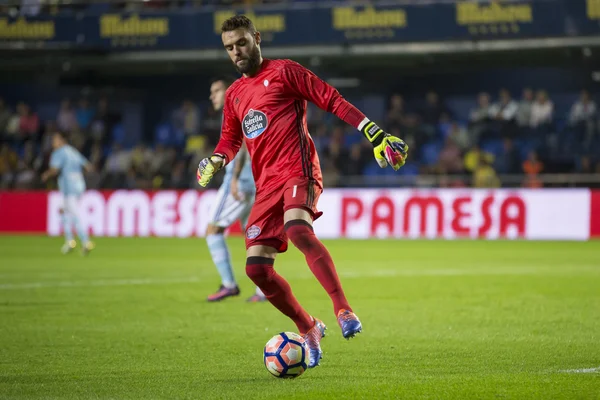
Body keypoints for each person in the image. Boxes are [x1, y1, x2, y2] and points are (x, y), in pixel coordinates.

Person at [196, 15, 409, 369]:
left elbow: (331, 98)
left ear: (257, 38)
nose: (236, 52)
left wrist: (372, 131)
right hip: (265, 186)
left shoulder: (285, 72)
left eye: (242, 43)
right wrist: (217, 159)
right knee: (256, 271)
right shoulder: (234, 94)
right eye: (229, 47)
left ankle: (342, 308)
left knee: (297, 229)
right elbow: (230, 140)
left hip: (298, 169)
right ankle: (308, 326)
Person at [204, 76, 266, 303]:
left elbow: (241, 147)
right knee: (253, 237)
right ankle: (262, 290)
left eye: (217, 91)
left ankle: (229, 284)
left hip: (239, 182)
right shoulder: (245, 107)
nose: (213, 96)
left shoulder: (235, 109)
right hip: (253, 183)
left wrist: (234, 178)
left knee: (213, 230)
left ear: (228, 90)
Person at [42, 131, 94, 255]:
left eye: (54, 140)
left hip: (69, 188)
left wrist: (46, 175)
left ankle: (86, 241)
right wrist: (76, 174)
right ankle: (70, 241)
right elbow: (88, 166)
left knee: (74, 214)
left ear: (61, 140)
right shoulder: (73, 151)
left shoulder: (59, 153)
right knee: (63, 212)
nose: (53, 143)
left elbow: (54, 170)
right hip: (79, 186)